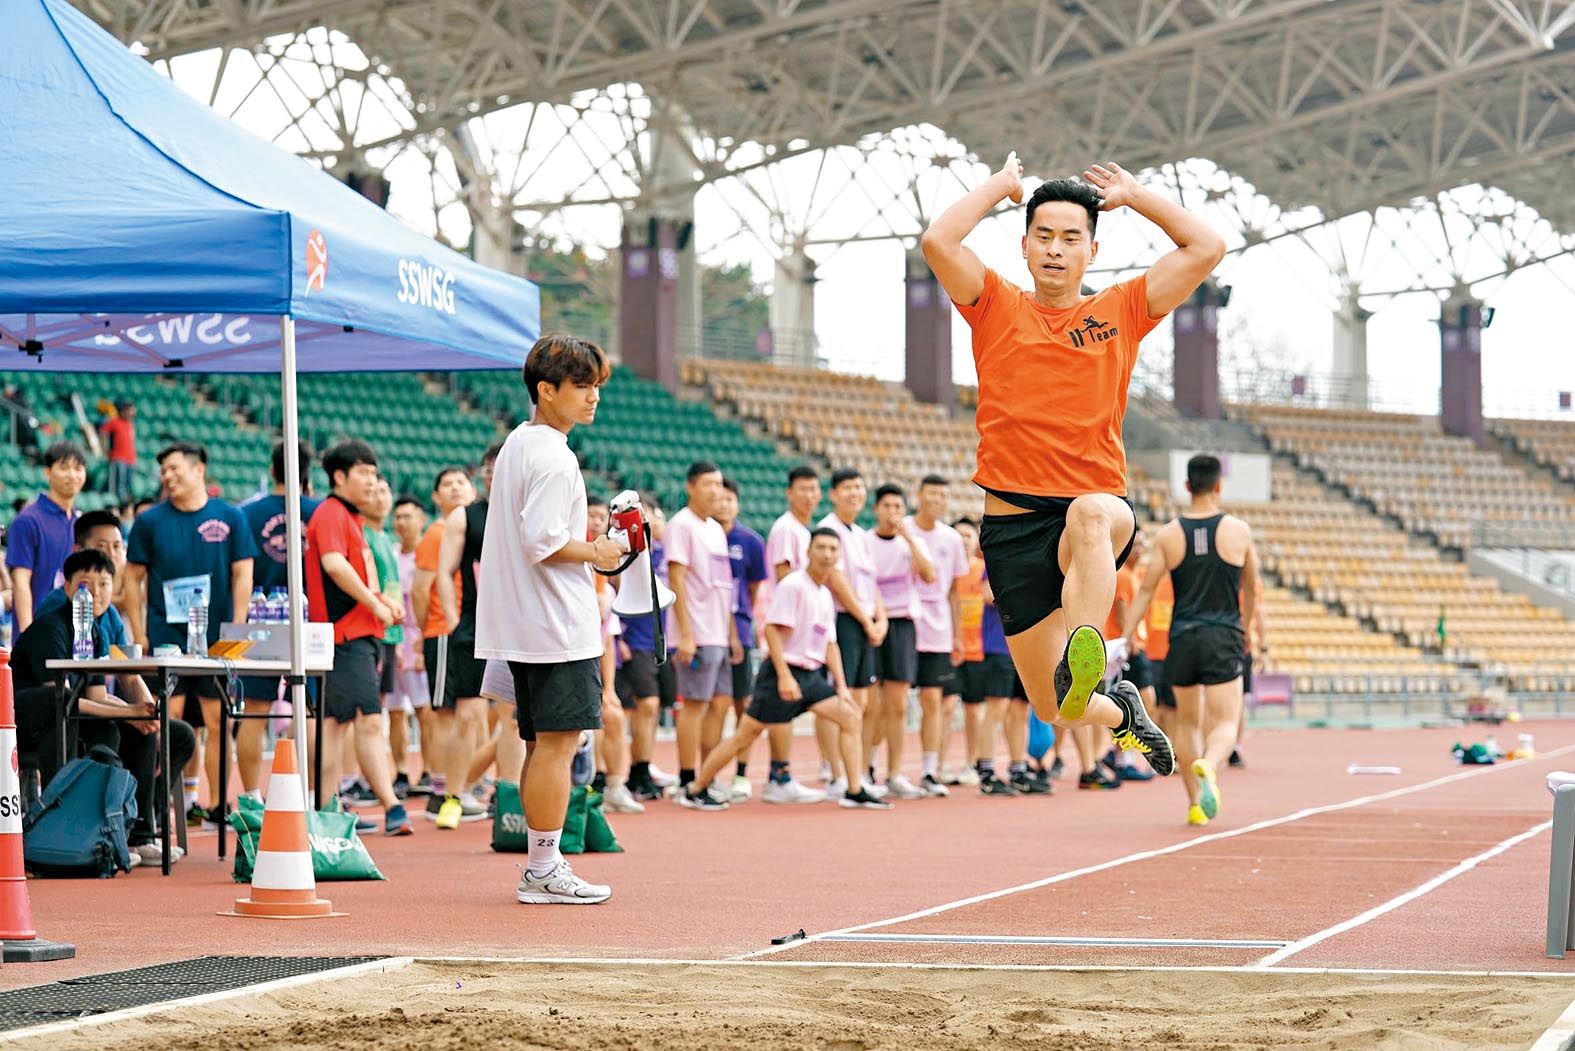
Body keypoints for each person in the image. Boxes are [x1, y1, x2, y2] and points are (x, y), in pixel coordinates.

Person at [921, 154, 1224, 776]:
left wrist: (1136, 194)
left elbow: (1207, 246)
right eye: (1044, 237)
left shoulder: (1123, 309)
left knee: (1088, 514)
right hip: (1010, 528)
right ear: (1025, 246)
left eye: (1070, 239)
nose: (1056, 250)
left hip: (1094, 512)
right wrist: (1001, 186)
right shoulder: (994, 304)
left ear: (1092, 249)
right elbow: (938, 240)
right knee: (1056, 706)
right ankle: (1122, 712)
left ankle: (1085, 648)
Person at [476, 334, 624, 904]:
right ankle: (542, 868)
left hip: (525, 624)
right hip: (555, 624)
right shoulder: (555, 457)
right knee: (559, 745)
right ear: (547, 389)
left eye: (595, 387)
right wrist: (599, 551)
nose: (592, 398)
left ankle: (542, 864)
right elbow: (545, 541)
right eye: (582, 386)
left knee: (543, 744)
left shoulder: (518, 442)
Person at [678, 528, 889, 810]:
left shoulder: (825, 594)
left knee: (850, 717)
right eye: (821, 548)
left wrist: (841, 686)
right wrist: (785, 676)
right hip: (782, 673)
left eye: (833, 550)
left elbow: (830, 644)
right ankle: (695, 788)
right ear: (808, 552)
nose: (827, 554)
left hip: (811, 677)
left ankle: (853, 789)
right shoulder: (793, 586)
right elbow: (773, 632)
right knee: (744, 736)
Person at [14, 548, 196, 864]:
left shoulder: (95, 631)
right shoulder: (51, 627)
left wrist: (139, 714)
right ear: (69, 587)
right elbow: (62, 698)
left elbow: (97, 697)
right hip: (25, 720)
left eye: (104, 584)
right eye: (86, 584)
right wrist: (128, 713)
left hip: (67, 715)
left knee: (172, 733)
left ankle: (134, 833)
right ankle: (61, 835)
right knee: (77, 714)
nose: (96, 593)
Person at [1126, 454, 1260, 827]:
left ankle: (1195, 804)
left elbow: (1147, 590)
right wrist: (1246, 630)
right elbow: (1251, 588)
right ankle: (1211, 765)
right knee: (1225, 723)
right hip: (1223, 636)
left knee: (1186, 724)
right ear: (1218, 486)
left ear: (1187, 487)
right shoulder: (1238, 531)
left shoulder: (1169, 534)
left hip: (1182, 637)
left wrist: (1123, 636)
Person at [123, 442, 254, 822]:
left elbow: (243, 571)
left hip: (218, 639)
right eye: (163, 470)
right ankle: (160, 808)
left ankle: (219, 805)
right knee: (170, 721)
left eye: (175, 468)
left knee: (218, 722)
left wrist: (239, 626)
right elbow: (132, 578)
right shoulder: (149, 522)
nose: (167, 476)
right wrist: (139, 629)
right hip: (166, 638)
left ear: (199, 470)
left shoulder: (230, 517)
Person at [304, 441, 412, 836]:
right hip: (345, 637)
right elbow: (334, 566)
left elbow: (355, 574)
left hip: (357, 636)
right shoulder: (332, 513)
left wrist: (381, 602)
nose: (372, 481)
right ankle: (391, 805)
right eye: (364, 473)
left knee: (337, 724)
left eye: (374, 474)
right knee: (364, 721)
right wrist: (376, 605)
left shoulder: (351, 519)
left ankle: (327, 810)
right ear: (339, 477)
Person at [236, 440, 323, 799]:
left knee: (255, 710)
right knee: (309, 710)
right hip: (308, 619)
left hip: (261, 616)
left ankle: (252, 796)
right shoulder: (317, 511)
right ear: (307, 472)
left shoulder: (247, 514)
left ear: (272, 470)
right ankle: (308, 796)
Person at [433, 446, 503, 828]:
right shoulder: (466, 516)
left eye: (500, 468)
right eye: (488, 469)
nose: (493, 474)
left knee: (512, 720)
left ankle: (508, 798)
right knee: (468, 715)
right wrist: (454, 617)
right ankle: (453, 796)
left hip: (517, 625)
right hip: (475, 627)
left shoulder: (523, 513)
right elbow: (445, 571)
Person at [664, 461, 743, 792]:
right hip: (695, 633)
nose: (716, 490)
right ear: (691, 487)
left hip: (718, 633)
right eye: (709, 484)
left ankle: (706, 777)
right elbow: (677, 581)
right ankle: (687, 780)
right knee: (695, 705)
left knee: (721, 703)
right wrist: (686, 635)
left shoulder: (714, 528)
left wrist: (731, 634)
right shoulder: (682, 525)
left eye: (719, 484)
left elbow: (722, 587)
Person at [411, 466, 481, 820]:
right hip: (445, 632)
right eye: (447, 484)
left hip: (469, 630)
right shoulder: (437, 533)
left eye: (461, 483)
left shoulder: (472, 528)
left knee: (468, 715)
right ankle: (441, 790)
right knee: (445, 714)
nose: (455, 488)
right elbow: (421, 588)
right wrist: (435, 628)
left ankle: (461, 783)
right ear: (436, 496)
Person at [765, 465, 841, 789]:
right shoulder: (786, 529)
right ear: (789, 492)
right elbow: (785, 580)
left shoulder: (804, 529)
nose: (810, 496)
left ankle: (829, 770)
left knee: (773, 714)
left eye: (814, 490)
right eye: (803, 489)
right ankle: (779, 775)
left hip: (805, 636)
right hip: (788, 634)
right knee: (776, 710)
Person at [817, 469, 885, 798]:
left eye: (859, 487)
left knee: (860, 700)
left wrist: (880, 619)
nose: (854, 493)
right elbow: (837, 581)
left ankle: (854, 770)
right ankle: (834, 773)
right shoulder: (829, 530)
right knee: (836, 701)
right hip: (843, 620)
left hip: (865, 624)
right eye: (847, 488)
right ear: (833, 493)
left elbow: (873, 585)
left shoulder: (860, 534)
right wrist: (865, 619)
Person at [905, 476, 969, 797]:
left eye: (943, 494)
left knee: (932, 699)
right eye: (932, 493)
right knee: (887, 699)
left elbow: (955, 592)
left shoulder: (952, 539)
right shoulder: (903, 530)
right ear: (919, 495)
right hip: (902, 621)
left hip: (938, 628)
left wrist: (957, 635)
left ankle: (929, 769)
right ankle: (873, 767)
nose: (937, 499)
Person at [868, 484, 934, 799]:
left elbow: (930, 575)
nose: (892, 513)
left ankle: (894, 773)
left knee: (895, 706)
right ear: (876, 509)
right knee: (869, 704)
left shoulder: (913, 543)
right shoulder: (864, 542)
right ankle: (865, 767)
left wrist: (908, 537)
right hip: (871, 623)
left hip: (902, 626)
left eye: (898, 507)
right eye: (887, 506)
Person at [615, 491, 679, 800]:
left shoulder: (666, 553)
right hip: (636, 640)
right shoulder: (632, 553)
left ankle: (645, 765)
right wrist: (619, 637)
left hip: (661, 641)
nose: (660, 522)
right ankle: (632, 772)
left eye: (661, 517)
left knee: (655, 709)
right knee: (645, 705)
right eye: (655, 516)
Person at [356, 478, 406, 804]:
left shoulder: (386, 538)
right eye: (373, 491)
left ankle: (368, 776)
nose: (380, 498)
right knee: (366, 710)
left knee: (381, 707)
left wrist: (398, 640)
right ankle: (357, 778)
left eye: (385, 491)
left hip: (390, 633)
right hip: (371, 630)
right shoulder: (361, 535)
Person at [8, 441, 87, 633]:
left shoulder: (82, 523)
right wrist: (29, 635)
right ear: (47, 472)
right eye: (64, 467)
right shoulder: (28, 520)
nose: (72, 475)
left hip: (75, 636)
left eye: (78, 468)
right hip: (40, 633)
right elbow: (21, 582)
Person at [390, 494, 432, 794]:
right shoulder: (392, 555)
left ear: (421, 519)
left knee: (424, 710)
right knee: (394, 711)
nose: (402, 522)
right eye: (399, 516)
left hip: (419, 638)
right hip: (395, 639)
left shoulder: (426, 557)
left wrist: (422, 643)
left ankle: (430, 769)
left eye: (408, 516)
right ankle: (402, 771)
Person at [944, 517, 985, 787]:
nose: (963, 541)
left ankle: (972, 762)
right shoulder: (946, 572)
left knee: (973, 711)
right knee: (945, 707)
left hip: (979, 651)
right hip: (949, 649)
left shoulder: (984, 570)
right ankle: (939, 763)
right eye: (958, 536)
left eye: (968, 536)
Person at [100, 400, 137, 505]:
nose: (132, 414)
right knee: (119, 484)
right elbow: (103, 433)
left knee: (128, 483)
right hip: (118, 457)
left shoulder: (130, 425)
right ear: (123, 411)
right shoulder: (114, 422)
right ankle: (119, 504)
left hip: (131, 459)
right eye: (130, 411)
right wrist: (105, 449)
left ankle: (125, 503)